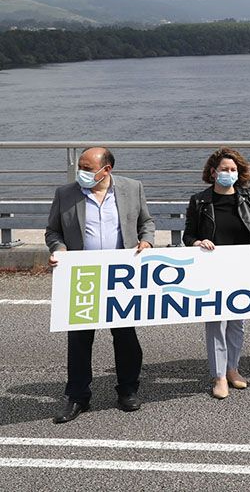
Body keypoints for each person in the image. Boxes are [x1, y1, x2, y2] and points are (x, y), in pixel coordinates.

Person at [45, 147, 155, 423]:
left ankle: (128, 389)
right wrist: (59, 248)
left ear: (106, 170)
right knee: (80, 337)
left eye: (86, 167)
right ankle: (77, 396)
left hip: (122, 274)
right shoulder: (65, 194)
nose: (80, 172)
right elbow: (53, 231)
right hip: (84, 274)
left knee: (125, 335)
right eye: (79, 166)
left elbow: (146, 222)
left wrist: (147, 241)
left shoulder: (132, 188)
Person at [184, 147, 250, 399]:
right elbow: (188, 234)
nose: (228, 173)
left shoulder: (247, 196)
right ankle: (219, 375)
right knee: (216, 323)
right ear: (213, 172)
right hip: (212, 268)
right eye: (224, 169)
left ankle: (233, 368)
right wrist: (197, 242)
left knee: (237, 322)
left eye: (233, 170)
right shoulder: (199, 201)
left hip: (242, 267)